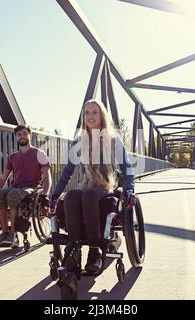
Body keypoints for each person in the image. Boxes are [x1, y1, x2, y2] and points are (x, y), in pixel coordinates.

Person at [50, 99, 136, 275]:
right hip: (87, 185)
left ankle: (94, 251)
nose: (90, 116)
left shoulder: (113, 139)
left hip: (106, 185)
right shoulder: (79, 141)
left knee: (89, 196)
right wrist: (55, 194)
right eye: (87, 113)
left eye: (94, 112)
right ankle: (74, 251)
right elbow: (67, 171)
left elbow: (127, 167)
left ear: (102, 115)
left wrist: (129, 189)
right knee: (72, 195)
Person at [0, 124, 52, 246]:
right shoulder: (13, 157)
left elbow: (47, 176)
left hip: (32, 187)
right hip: (16, 187)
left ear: (30, 135)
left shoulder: (39, 153)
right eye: (19, 135)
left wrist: (45, 194)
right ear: (16, 137)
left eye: (24, 134)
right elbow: (3, 178)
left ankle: (13, 233)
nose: (22, 136)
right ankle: (4, 233)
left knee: (13, 194)